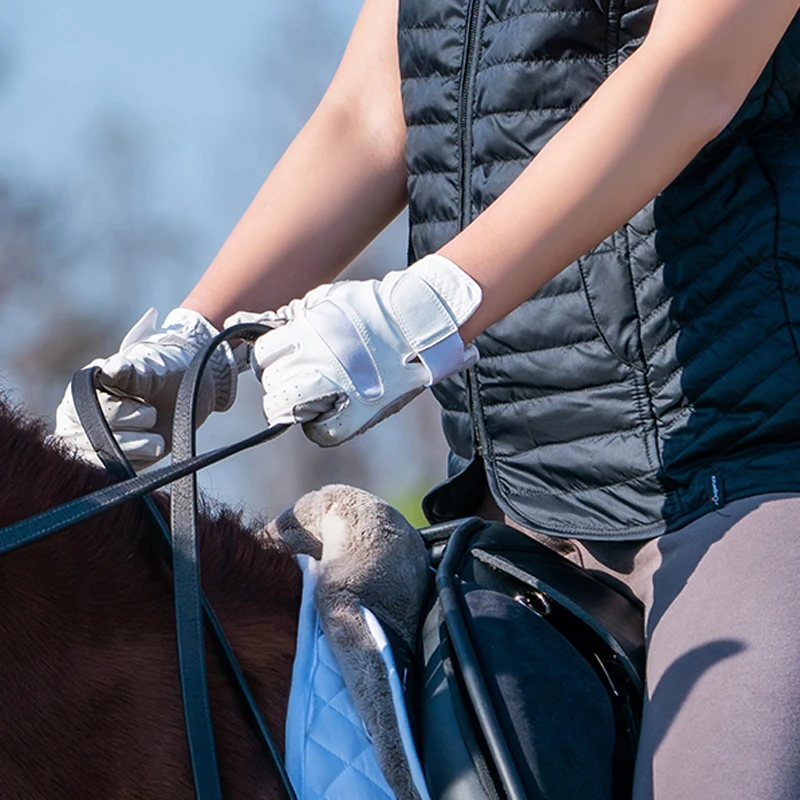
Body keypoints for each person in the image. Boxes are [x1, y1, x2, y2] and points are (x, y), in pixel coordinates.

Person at [54, 0, 800, 797]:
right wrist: (194, 340)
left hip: (746, 471)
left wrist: (436, 303)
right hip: (515, 507)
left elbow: (693, 75)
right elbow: (370, 118)